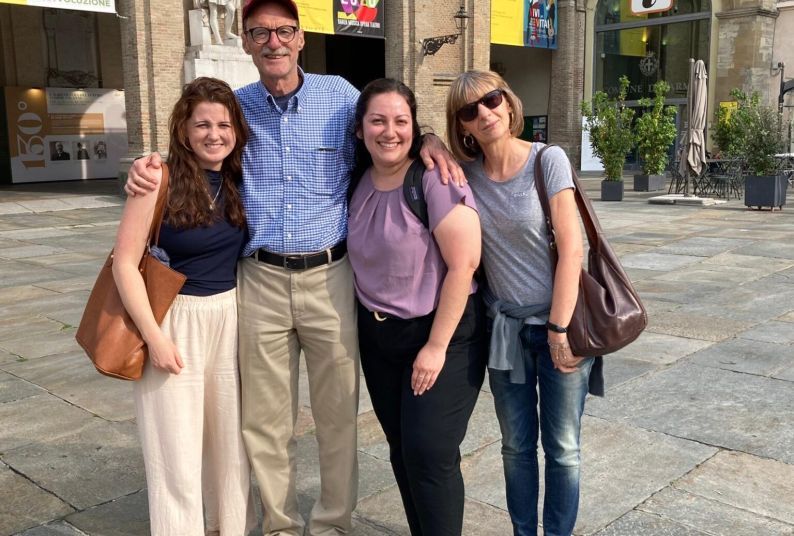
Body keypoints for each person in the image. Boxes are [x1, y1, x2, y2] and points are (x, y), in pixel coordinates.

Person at [123, 1, 462, 534]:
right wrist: (149, 168)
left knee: (335, 416)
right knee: (265, 421)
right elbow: (196, 148)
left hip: (331, 277)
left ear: (301, 38)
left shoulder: (340, 98)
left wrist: (430, 140)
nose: (273, 42)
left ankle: (330, 523)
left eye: (284, 31)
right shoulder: (236, 109)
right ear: (245, 40)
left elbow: (387, 129)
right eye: (260, 33)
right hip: (257, 279)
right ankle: (279, 524)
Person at [445, 70, 604, 536]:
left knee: (563, 447)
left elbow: (573, 248)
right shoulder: (465, 177)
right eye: (470, 111)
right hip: (505, 332)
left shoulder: (546, 159)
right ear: (464, 127)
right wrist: (432, 143)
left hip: (561, 325)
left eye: (491, 100)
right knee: (515, 447)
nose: (485, 113)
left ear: (508, 103)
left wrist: (558, 330)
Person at [113, 77, 255, 535]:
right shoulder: (157, 178)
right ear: (183, 130)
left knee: (229, 446)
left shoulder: (237, 179)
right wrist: (155, 338)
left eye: (224, 124)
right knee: (175, 448)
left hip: (231, 317)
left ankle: (229, 528)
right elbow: (124, 264)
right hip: (174, 319)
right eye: (202, 125)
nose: (214, 134)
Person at [348, 78, 486, 536]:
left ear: (414, 127)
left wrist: (436, 346)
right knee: (401, 449)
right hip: (379, 337)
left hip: (440, 333)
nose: (390, 132)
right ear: (361, 128)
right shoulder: (356, 179)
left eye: (401, 121)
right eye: (378, 121)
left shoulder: (433, 179)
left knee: (429, 452)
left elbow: (464, 264)